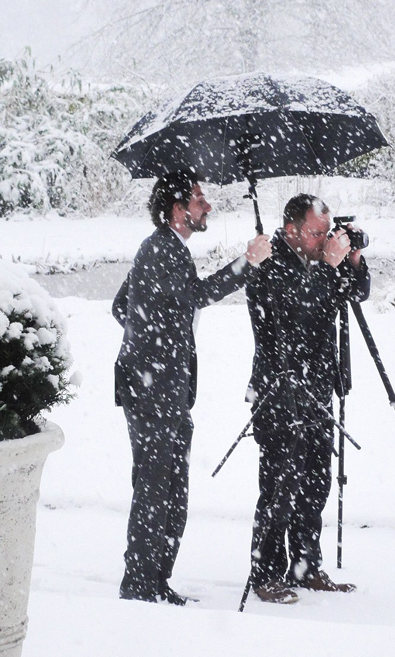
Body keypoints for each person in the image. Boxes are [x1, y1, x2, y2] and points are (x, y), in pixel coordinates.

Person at [112, 169, 271, 606]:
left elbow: (121, 306)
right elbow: (197, 295)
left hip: (158, 387)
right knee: (156, 489)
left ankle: (154, 582)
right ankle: (141, 586)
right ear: (178, 209)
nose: (208, 206)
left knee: (168, 488)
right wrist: (248, 262)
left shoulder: (162, 249)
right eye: (200, 199)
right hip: (154, 392)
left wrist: (152, 334)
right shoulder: (163, 250)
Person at [245, 193, 370, 604]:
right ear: (292, 229)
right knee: (279, 485)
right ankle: (265, 574)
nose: (323, 241)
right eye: (317, 234)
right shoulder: (267, 259)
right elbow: (297, 313)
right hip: (280, 391)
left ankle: (305, 565)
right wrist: (330, 267)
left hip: (317, 388)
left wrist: (349, 261)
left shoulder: (318, 262)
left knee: (315, 482)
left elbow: (357, 292)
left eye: (327, 233)